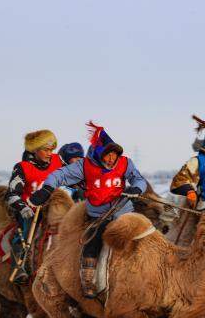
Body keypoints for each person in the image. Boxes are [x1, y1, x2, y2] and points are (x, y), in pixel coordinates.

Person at [29, 121, 147, 298]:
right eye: (108, 155)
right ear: (100, 154)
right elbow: (59, 175)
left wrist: (136, 188)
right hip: (99, 215)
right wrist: (47, 189)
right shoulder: (84, 166)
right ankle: (88, 279)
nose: (111, 159)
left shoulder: (125, 163)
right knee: (94, 239)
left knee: (145, 231)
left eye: (114, 155)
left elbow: (139, 179)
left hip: (123, 211)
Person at [5, 129, 63, 284]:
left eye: (51, 149)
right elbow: (11, 194)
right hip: (30, 211)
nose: (50, 153)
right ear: (35, 150)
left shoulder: (58, 161)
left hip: (54, 208)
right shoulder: (22, 167)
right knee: (25, 233)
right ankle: (19, 268)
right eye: (45, 150)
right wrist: (23, 208)